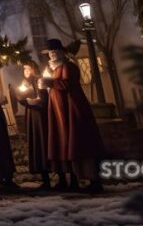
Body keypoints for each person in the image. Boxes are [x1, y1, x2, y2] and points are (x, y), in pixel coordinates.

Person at [43, 38, 106, 193]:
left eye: (54, 52)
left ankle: (92, 180)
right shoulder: (54, 69)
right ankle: (70, 180)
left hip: (71, 108)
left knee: (79, 141)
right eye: (50, 52)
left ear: (61, 52)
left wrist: (49, 83)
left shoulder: (68, 66)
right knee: (63, 142)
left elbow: (66, 85)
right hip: (59, 111)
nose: (52, 55)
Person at [18, 61, 52, 190]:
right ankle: (45, 178)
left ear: (34, 69)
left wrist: (38, 102)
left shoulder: (40, 81)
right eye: (24, 69)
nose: (26, 72)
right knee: (37, 143)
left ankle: (57, 176)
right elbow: (21, 97)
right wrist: (26, 101)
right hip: (31, 116)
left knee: (44, 142)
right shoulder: (24, 83)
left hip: (42, 116)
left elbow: (46, 97)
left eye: (28, 69)